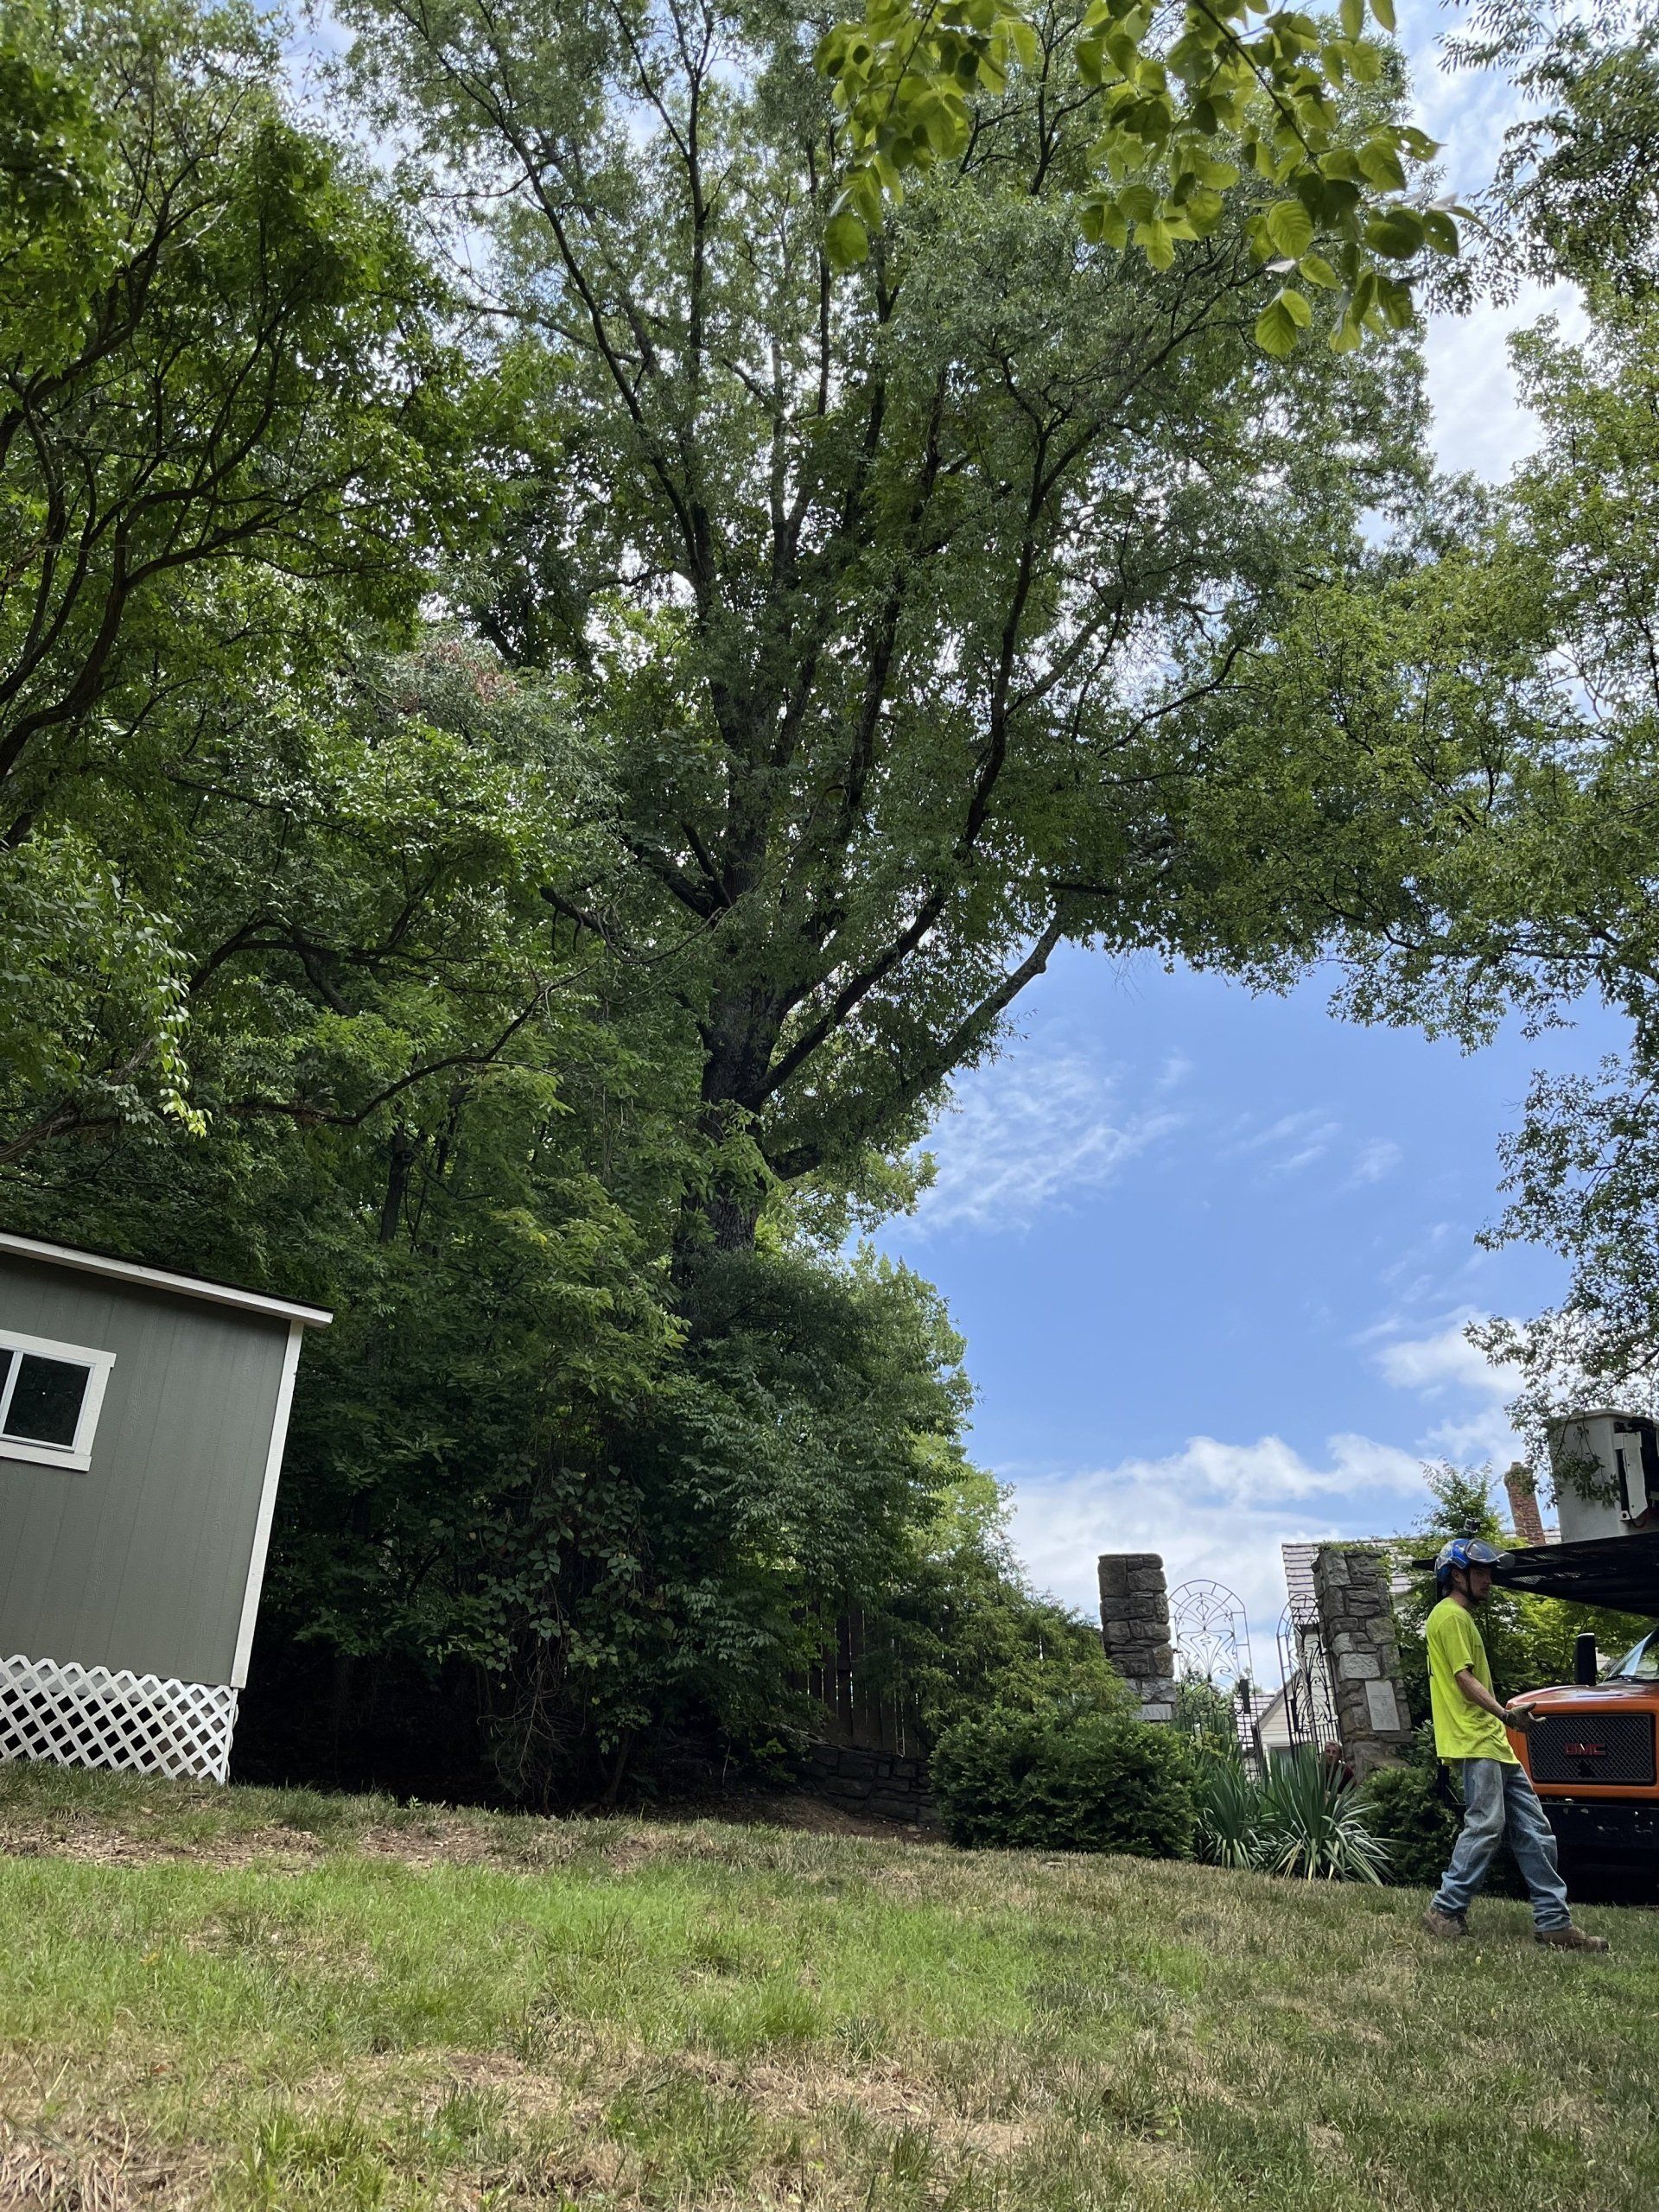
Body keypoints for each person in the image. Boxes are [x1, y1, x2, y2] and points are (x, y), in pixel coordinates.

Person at [1421, 1537, 1609, 1950]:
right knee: (1486, 1824)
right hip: (1476, 1739)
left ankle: (1554, 1923)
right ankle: (1445, 1909)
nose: (1488, 1581)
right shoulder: (1449, 1616)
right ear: (1456, 1575)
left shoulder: (1460, 1617)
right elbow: (1463, 1680)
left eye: (1489, 1573)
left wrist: (1503, 1725)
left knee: (1536, 1831)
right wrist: (1506, 1715)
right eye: (1480, 1573)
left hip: (1493, 1741)